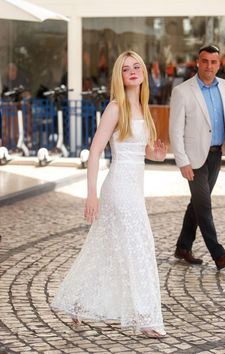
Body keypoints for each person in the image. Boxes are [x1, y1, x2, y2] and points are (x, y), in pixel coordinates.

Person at [52, 50, 167, 338]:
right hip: (118, 188)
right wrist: (91, 194)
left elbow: (142, 151)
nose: (132, 71)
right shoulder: (115, 108)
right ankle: (145, 317)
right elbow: (94, 152)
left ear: (143, 73)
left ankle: (77, 301)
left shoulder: (143, 107)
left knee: (106, 250)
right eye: (126, 68)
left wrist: (156, 154)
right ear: (120, 75)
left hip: (134, 188)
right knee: (139, 246)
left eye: (136, 66)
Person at [169, 44, 225, 270]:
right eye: (204, 61)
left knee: (196, 204)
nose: (209, 66)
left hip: (217, 154)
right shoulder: (183, 91)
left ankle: (183, 247)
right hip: (194, 159)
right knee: (204, 205)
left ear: (219, 64)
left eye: (213, 62)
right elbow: (175, 130)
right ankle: (219, 254)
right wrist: (182, 161)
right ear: (198, 62)